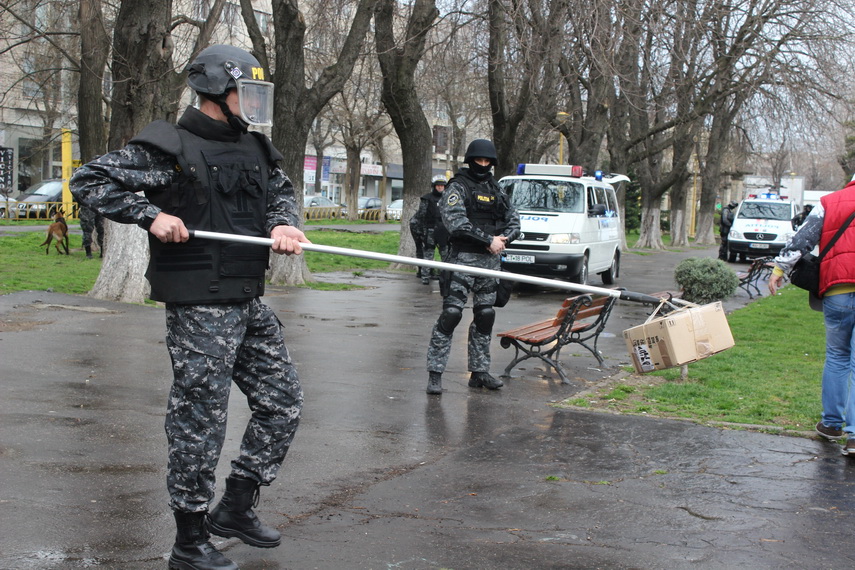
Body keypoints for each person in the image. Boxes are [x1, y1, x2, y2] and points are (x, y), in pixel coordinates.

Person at [70, 44, 308, 570]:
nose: (251, 103)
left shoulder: (257, 148)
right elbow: (88, 180)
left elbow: (280, 194)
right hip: (200, 305)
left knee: (283, 401)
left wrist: (283, 223)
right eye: (243, 91)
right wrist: (149, 214)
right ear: (213, 90)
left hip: (247, 298)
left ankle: (237, 507)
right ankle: (189, 540)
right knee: (199, 421)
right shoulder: (168, 147)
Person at [425, 139, 520, 395]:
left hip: (490, 263)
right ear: (470, 160)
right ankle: (435, 373)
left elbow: (514, 221)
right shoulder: (458, 187)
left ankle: (479, 372)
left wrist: (502, 240)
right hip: (462, 261)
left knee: (485, 315)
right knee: (451, 315)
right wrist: (488, 239)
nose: (483, 164)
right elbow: (455, 222)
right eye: (479, 160)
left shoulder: (496, 188)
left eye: (487, 161)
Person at [768, 178, 855, 457]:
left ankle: (831, 424)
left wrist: (779, 270)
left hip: (837, 291)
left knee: (837, 356)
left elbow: (802, 241)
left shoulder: (829, 202)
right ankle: (854, 437)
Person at [411, 174, 448, 284]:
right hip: (430, 231)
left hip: (444, 232)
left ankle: (445, 277)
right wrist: (422, 232)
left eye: (442, 185)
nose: (440, 187)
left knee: (445, 256)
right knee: (428, 255)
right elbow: (421, 216)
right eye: (438, 185)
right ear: (434, 186)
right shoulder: (426, 199)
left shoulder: (448, 199)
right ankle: (425, 278)